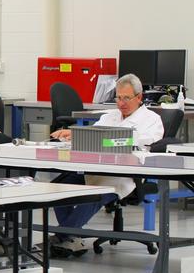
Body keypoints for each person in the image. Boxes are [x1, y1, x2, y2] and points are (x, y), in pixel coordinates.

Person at [48, 73, 165, 257]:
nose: (121, 103)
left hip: (123, 175)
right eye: (118, 97)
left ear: (139, 97)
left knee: (96, 194)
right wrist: (74, 135)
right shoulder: (110, 116)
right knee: (58, 186)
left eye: (126, 98)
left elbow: (140, 142)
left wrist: (108, 139)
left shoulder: (151, 120)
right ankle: (70, 237)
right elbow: (94, 135)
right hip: (96, 168)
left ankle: (62, 236)